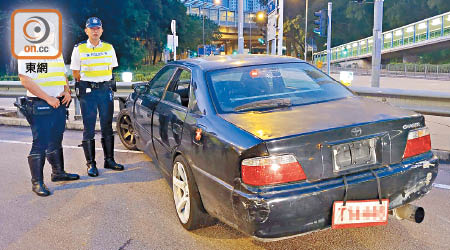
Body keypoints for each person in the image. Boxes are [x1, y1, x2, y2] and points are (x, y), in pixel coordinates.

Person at [18, 51, 80, 197]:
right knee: (40, 142)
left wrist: (66, 91)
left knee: (56, 139)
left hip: (58, 103)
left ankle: (58, 173)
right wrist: (48, 98)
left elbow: (62, 75)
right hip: (39, 104)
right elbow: (25, 80)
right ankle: (37, 182)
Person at [70, 17, 124, 177]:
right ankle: (91, 164)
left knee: (107, 126)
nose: (95, 31)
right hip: (88, 92)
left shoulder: (109, 47)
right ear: (86, 31)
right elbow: (75, 72)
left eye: (97, 28)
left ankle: (109, 160)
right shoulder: (79, 49)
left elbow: (111, 69)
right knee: (89, 129)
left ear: (101, 30)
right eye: (91, 28)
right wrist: (87, 84)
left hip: (105, 90)